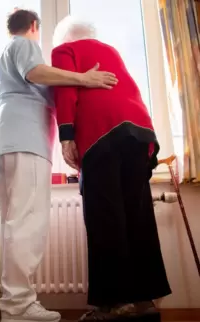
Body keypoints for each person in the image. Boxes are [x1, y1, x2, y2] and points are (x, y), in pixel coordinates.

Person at [0, 9, 118, 322]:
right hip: (25, 142)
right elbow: (37, 72)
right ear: (34, 26)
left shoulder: (6, 59)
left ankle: (13, 304)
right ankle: (18, 306)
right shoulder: (23, 44)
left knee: (16, 224)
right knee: (27, 224)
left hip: (8, 142)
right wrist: (83, 78)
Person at [51, 16, 171, 322]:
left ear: (63, 37)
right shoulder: (111, 51)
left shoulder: (65, 51)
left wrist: (66, 137)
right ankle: (145, 302)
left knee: (105, 216)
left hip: (101, 133)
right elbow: (130, 92)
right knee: (138, 214)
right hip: (138, 130)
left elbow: (66, 91)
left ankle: (113, 305)